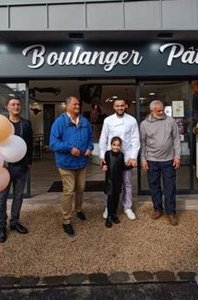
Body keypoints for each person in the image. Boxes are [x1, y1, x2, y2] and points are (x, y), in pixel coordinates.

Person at [50, 96, 94, 237]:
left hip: (82, 162)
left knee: (80, 188)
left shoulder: (84, 121)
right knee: (69, 190)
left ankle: (78, 209)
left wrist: (89, 147)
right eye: (75, 104)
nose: (77, 106)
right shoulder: (59, 122)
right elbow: (53, 143)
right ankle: (66, 220)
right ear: (67, 105)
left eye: (78, 104)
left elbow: (90, 139)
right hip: (66, 163)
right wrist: (69, 148)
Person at [0, 97, 33, 243]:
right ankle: (1, 226)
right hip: (4, 167)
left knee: (18, 196)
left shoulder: (26, 124)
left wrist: (29, 161)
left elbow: (29, 143)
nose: (16, 106)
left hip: (21, 166)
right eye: (13, 104)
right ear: (7, 107)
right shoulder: (0, 124)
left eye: (18, 104)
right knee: (1, 198)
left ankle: (14, 222)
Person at [140, 100, 181, 226]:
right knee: (154, 186)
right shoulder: (144, 124)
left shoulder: (170, 121)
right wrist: (143, 159)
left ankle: (171, 212)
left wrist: (177, 156)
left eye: (162, 109)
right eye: (158, 111)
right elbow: (142, 143)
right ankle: (158, 209)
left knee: (169, 187)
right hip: (152, 160)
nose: (162, 112)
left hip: (168, 160)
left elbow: (176, 139)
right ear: (152, 111)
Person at [99, 99, 140, 220]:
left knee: (127, 183)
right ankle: (108, 207)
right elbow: (103, 139)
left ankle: (127, 207)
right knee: (110, 183)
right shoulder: (108, 120)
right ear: (113, 107)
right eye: (117, 106)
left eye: (122, 106)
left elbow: (135, 140)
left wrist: (133, 157)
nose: (120, 108)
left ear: (126, 106)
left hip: (126, 157)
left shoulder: (132, 120)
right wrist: (102, 157)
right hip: (111, 158)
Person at [102, 136, 130, 228]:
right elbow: (104, 163)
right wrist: (103, 166)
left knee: (117, 198)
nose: (116, 147)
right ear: (111, 145)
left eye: (118, 145)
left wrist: (131, 165)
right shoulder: (107, 154)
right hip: (110, 180)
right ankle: (109, 216)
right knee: (110, 199)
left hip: (118, 181)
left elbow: (122, 167)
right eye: (114, 145)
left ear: (120, 146)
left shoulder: (121, 155)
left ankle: (114, 214)